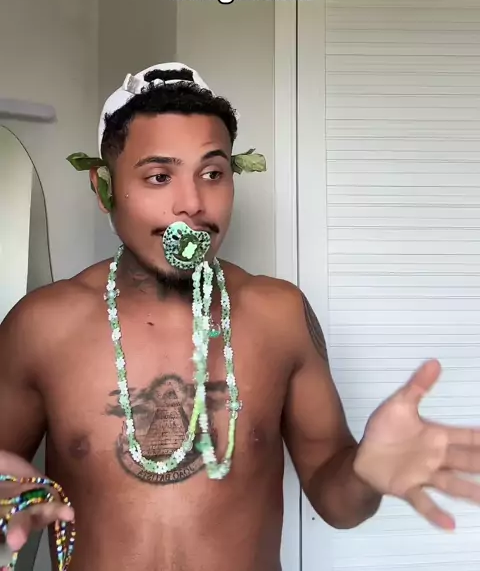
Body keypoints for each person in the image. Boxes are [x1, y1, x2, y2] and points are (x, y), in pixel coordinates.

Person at [1, 62, 480, 571]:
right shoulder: (42, 325)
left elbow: (340, 505)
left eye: (212, 174)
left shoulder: (279, 315)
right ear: (104, 188)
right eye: (159, 176)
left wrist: (365, 471)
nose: (192, 204)